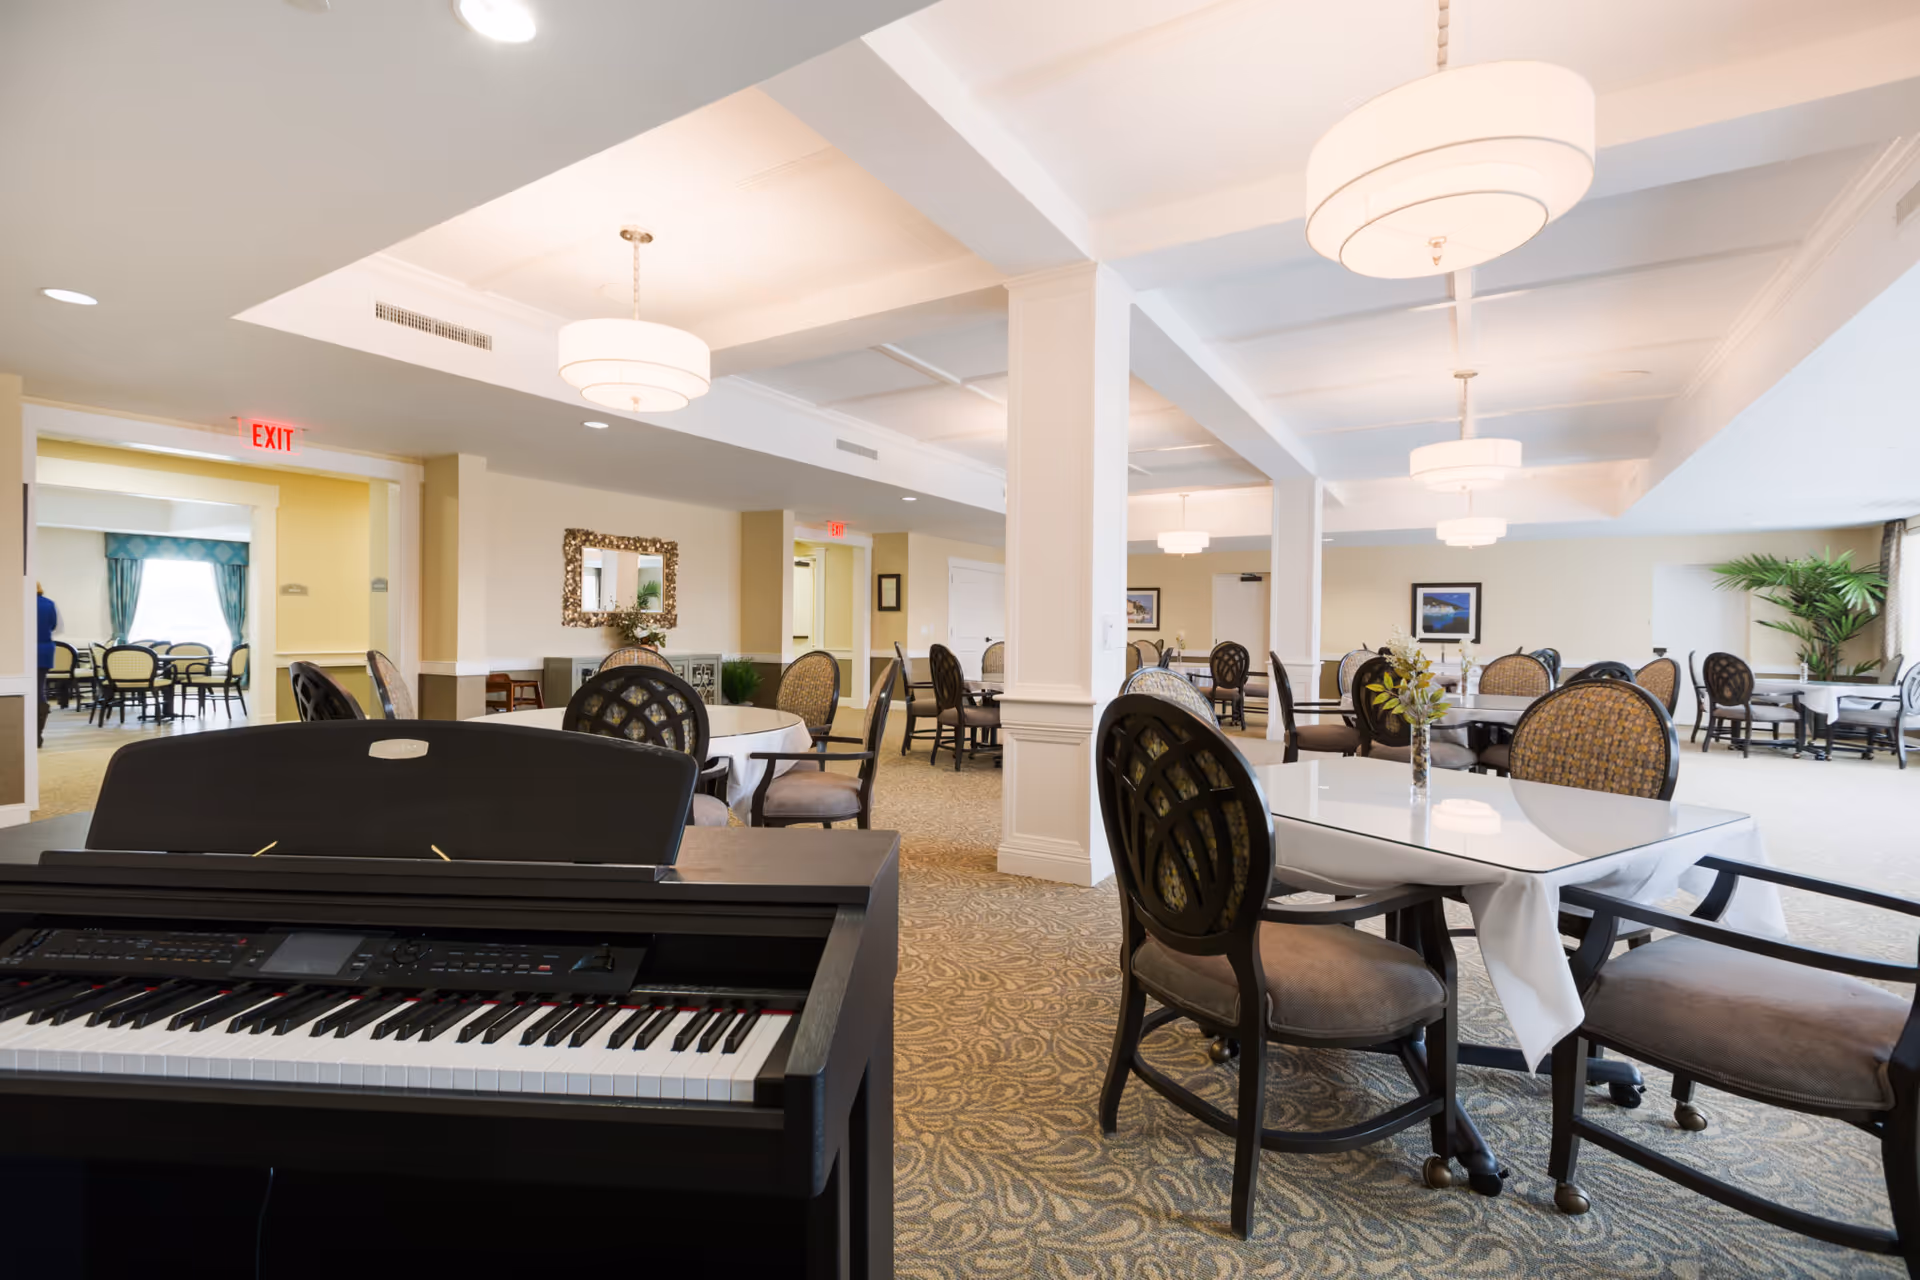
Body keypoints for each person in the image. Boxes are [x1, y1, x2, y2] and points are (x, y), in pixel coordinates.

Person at [36, 583, 57, 748]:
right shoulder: (49, 604)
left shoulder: (20, 602)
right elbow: (54, 626)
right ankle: (37, 735)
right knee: (39, 691)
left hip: (24, 649)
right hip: (44, 650)